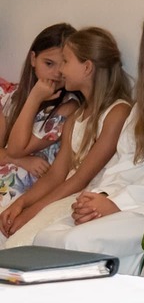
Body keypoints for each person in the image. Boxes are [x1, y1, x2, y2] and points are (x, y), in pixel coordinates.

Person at [32, 6, 144, 275]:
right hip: (130, 198)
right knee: (46, 237)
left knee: (74, 242)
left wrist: (118, 203)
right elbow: (128, 161)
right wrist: (102, 197)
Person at [0, 27, 131, 246]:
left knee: (19, 243)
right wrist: (20, 204)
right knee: (13, 239)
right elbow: (56, 175)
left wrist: (30, 213)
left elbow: (80, 179)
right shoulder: (77, 117)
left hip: (87, 197)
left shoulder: (117, 113)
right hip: (68, 195)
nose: (61, 70)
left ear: (87, 68)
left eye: (66, 62)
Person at [0, 23, 79, 212]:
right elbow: (13, 154)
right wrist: (20, 160)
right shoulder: (12, 97)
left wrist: (34, 98)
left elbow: (17, 148)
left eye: (64, 64)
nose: (56, 73)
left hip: (24, 190)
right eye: (49, 63)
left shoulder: (68, 106)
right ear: (33, 59)